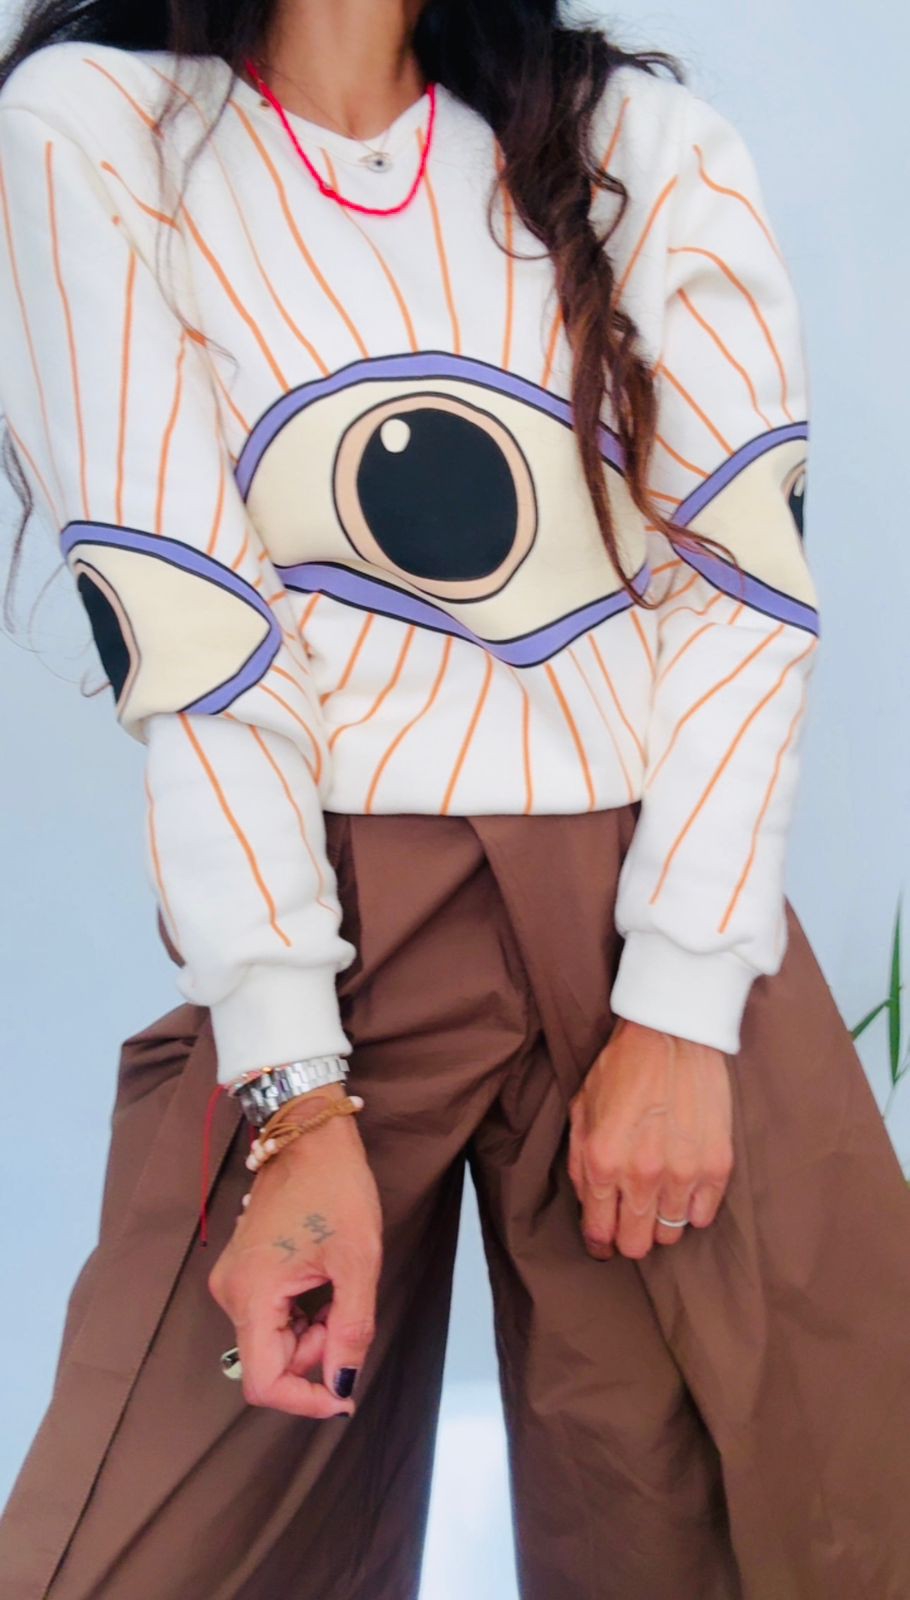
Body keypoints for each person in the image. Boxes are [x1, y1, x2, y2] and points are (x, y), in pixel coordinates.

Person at [0, 1, 907, 1596]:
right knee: (146, 1540)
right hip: (339, 918)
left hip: (642, 919)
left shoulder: (624, 140)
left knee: (744, 1522)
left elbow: (740, 588)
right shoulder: (97, 130)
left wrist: (681, 1009)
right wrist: (293, 1096)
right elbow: (192, 632)